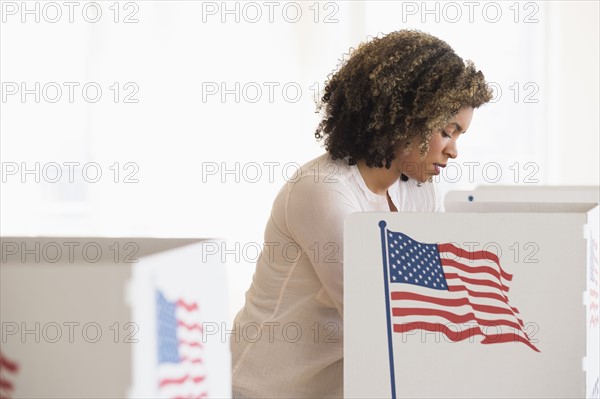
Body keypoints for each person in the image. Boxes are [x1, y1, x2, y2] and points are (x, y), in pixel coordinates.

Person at [231, 29, 493, 398]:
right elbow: (379, 319)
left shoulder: (416, 187)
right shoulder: (322, 189)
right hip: (270, 389)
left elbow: (433, 299)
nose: (453, 152)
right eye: (448, 132)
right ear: (405, 117)